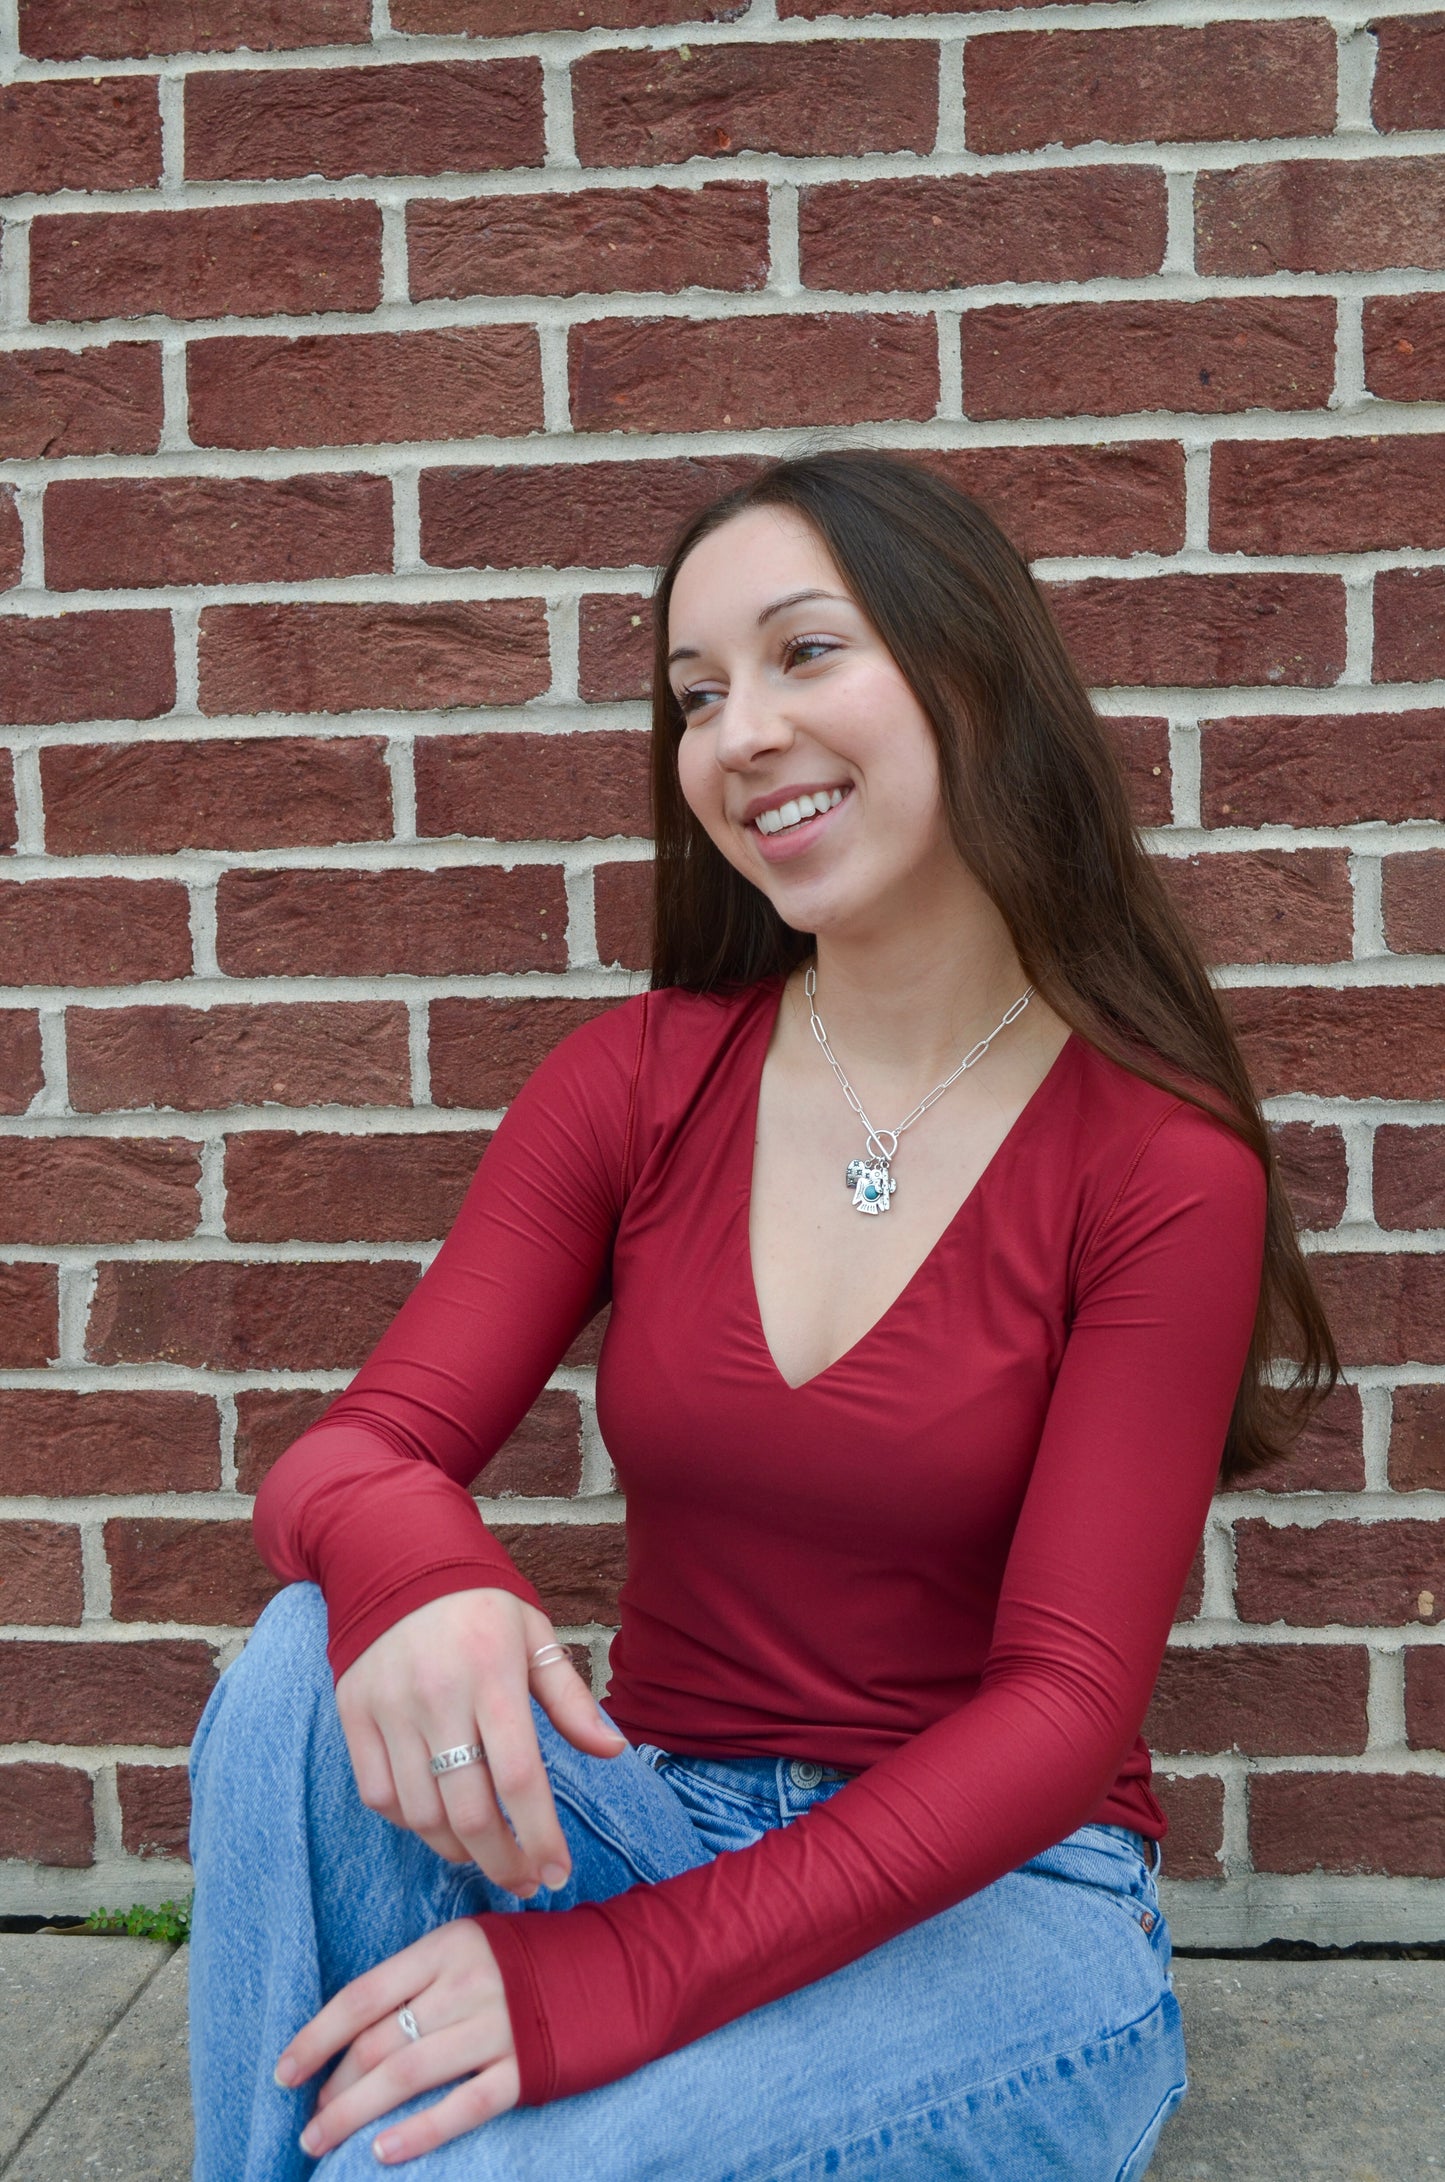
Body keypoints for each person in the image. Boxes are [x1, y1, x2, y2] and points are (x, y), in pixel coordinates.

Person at [186, 450, 1338, 2180]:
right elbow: (353, 1457)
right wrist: (416, 1567)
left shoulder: (1154, 1160)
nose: (738, 734)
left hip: (998, 1915)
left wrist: (610, 1976)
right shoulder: (638, 1081)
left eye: (806, 654)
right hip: (657, 1815)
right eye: (697, 692)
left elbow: (1062, 1706)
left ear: (971, 674)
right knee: (298, 1663)